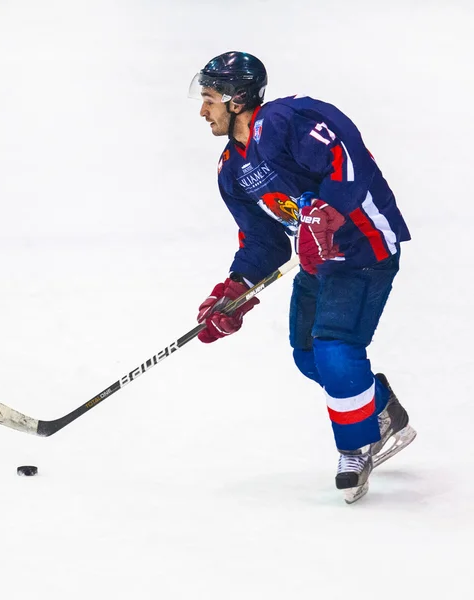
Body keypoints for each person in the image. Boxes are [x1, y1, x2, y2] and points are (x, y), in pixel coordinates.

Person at [189, 51, 416, 503]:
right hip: (318, 263)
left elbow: (346, 156)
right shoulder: (232, 170)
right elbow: (264, 241)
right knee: (308, 355)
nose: (203, 110)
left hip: (363, 248)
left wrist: (326, 213)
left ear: (236, 100)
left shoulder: (284, 120)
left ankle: (357, 447)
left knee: (336, 349)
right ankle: (382, 410)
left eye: (210, 98)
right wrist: (234, 291)